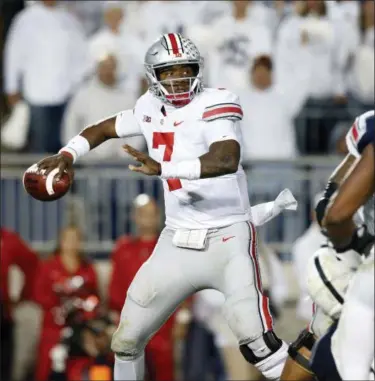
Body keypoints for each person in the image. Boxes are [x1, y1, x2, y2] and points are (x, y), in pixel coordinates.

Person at [37, 33, 289, 381]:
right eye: (168, 71)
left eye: (184, 69)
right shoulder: (147, 107)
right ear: (154, 75)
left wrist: (164, 169)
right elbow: (103, 128)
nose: (178, 78)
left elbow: (226, 158)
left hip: (227, 234)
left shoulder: (217, 101)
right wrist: (68, 153)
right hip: (177, 241)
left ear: (198, 69)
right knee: (125, 340)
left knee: (256, 340)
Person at [108, 194, 180, 381]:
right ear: (135, 217)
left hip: (163, 323)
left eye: (151, 213)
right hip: (130, 322)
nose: (147, 218)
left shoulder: (171, 247)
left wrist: (184, 317)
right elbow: (115, 290)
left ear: (158, 216)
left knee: (164, 371)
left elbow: (184, 281)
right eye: (142, 213)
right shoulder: (124, 250)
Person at [4, 0, 89, 153]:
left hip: (66, 94)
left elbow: (81, 53)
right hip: (37, 93)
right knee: (40, 147)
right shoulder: (26, 18)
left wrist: (77, 82)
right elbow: (13, 53)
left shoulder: (68, 19)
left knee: (65, 145)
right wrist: (11, 86)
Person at [33, 225, 99, 381]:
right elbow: (39, 295)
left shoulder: (87, 268)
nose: (71, 243)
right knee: (47, 368)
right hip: (53, 329)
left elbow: (95, 297)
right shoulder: (48, 267)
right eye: (68, 239)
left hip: (81, 329)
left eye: (76, 239)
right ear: (61, 242)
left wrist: (84, 308)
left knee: (81, 370)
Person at [0, 227, 40, 381]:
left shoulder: (9, 239)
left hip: (3, 313)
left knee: (5, 367)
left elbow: (32, 264)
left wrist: (24, 296)